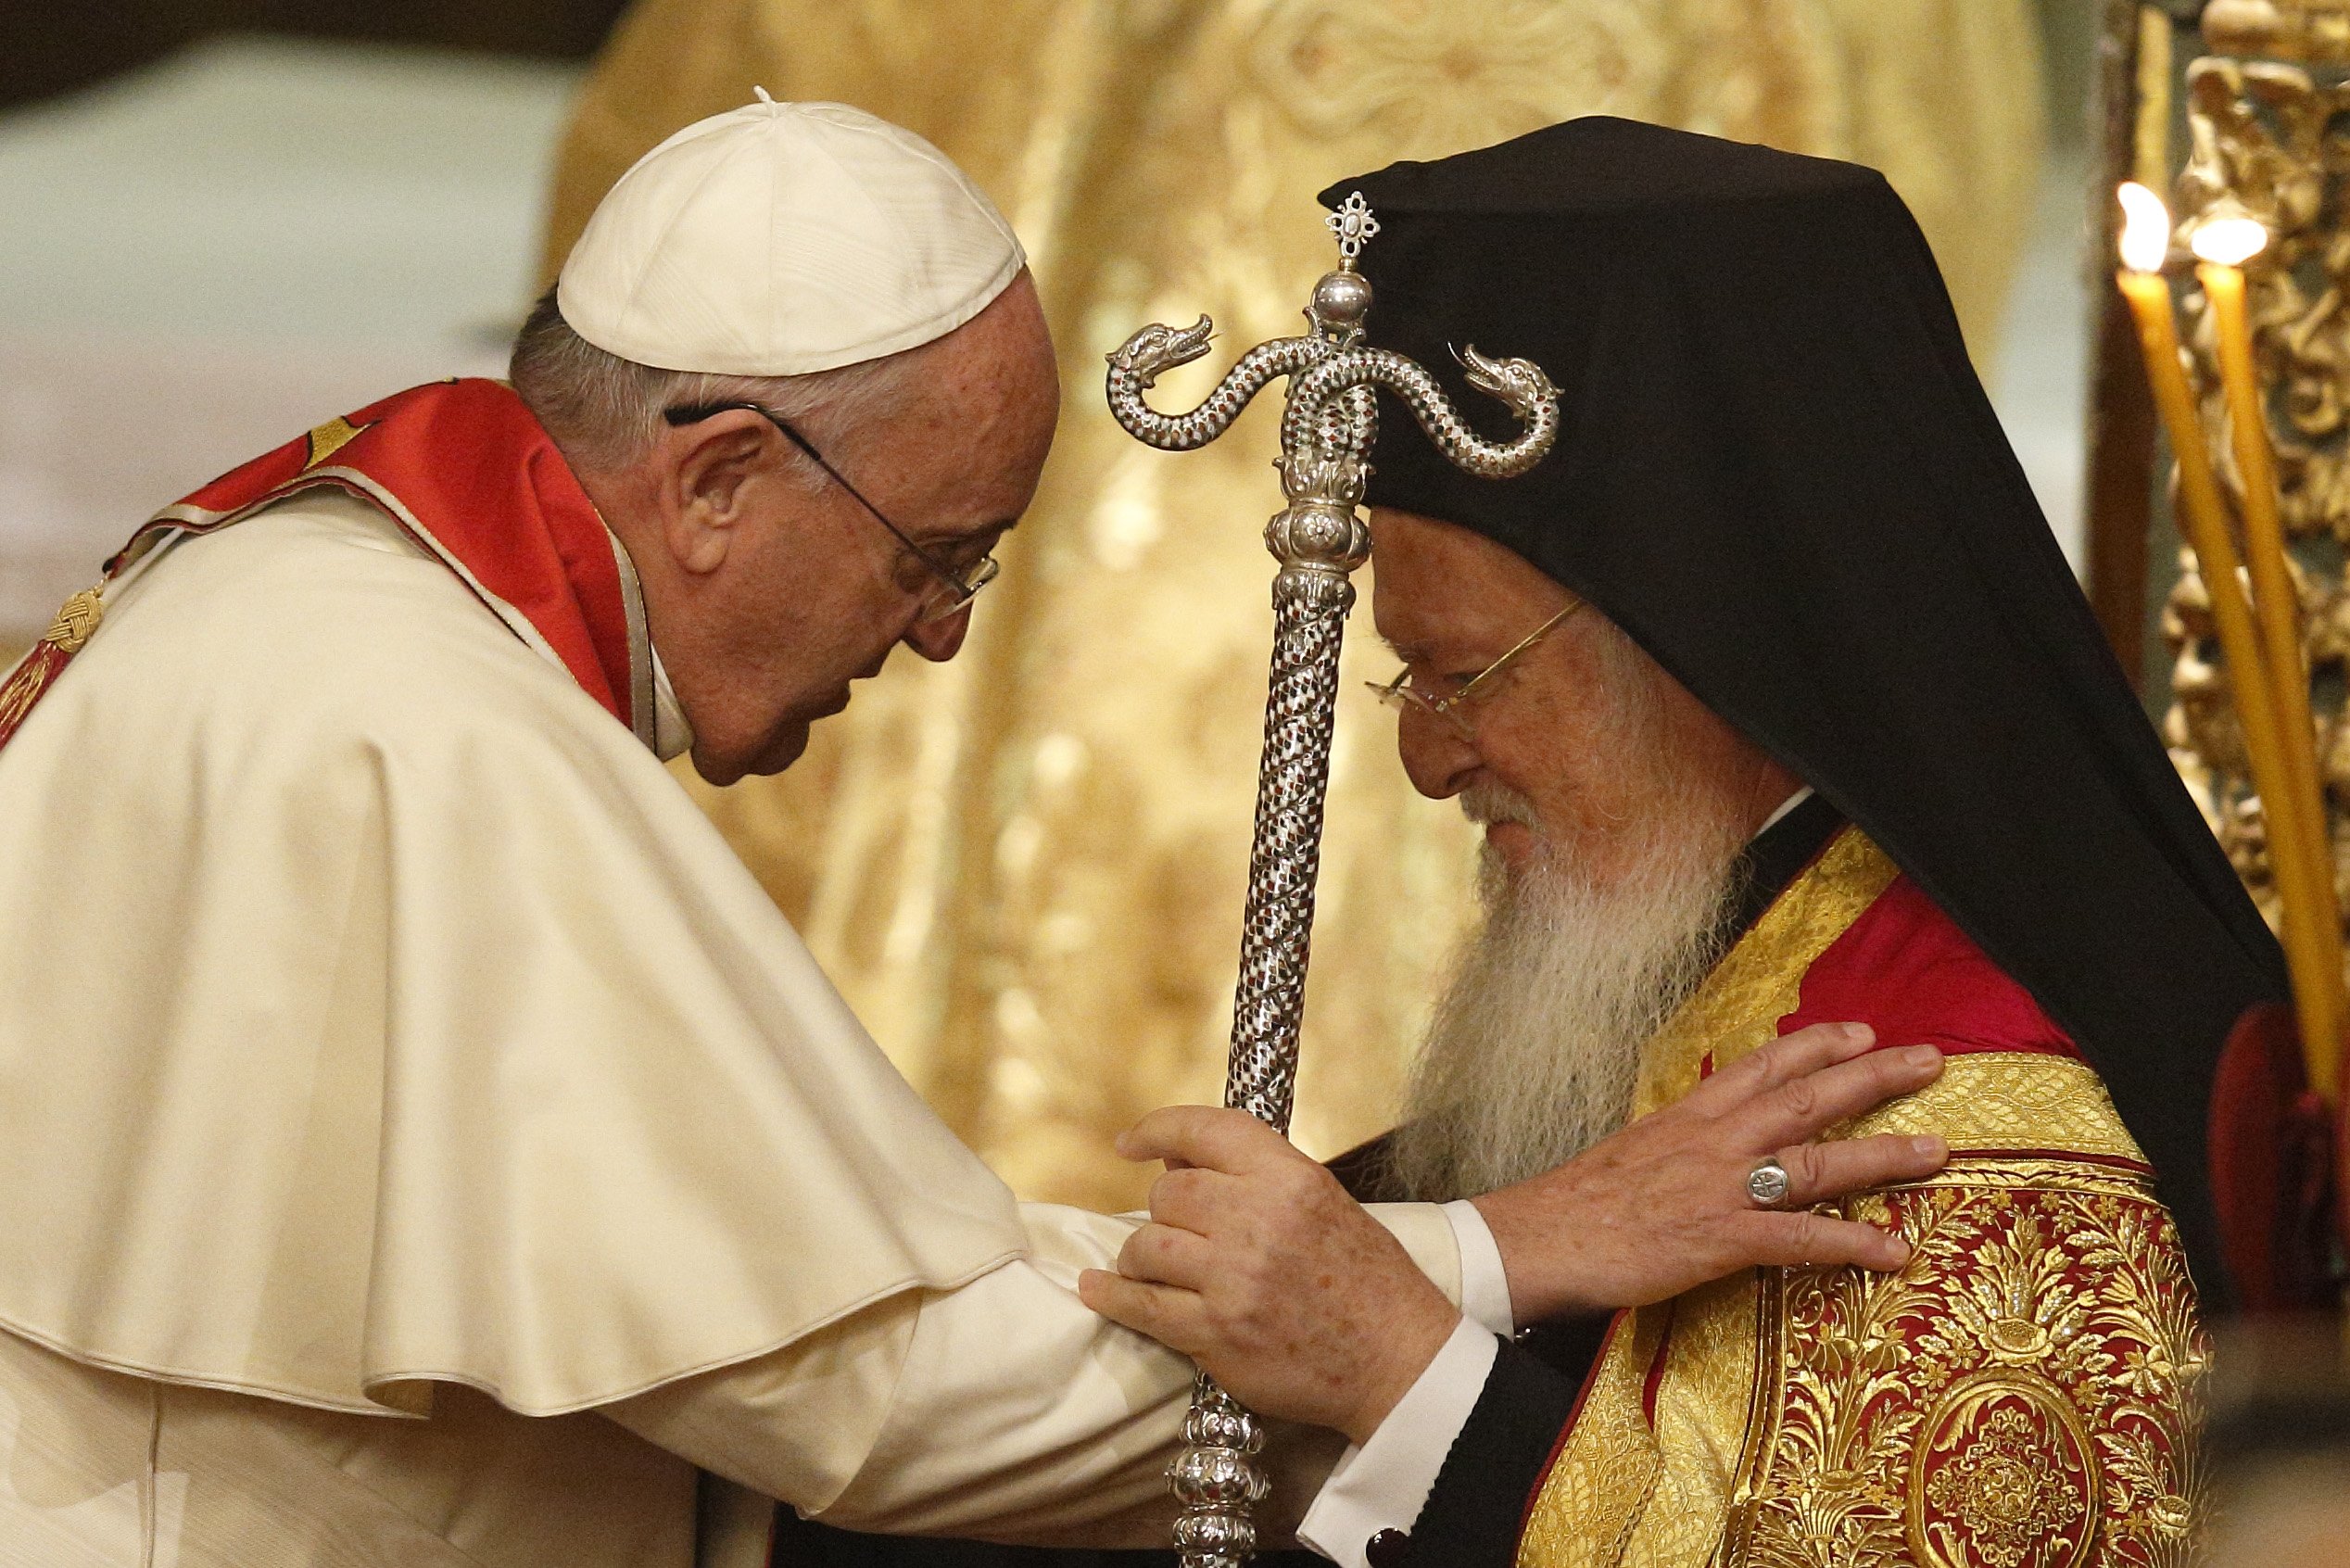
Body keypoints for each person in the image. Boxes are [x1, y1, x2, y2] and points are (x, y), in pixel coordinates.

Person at [0, 100, 1940, 1568]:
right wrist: (1496, 1256)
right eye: (933, 559)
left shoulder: (318, 603)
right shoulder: (429, 745)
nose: (933, 635)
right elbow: (884, 1398)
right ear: (723, 479)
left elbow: (806, 1276)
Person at [1089, 119, 2272, 1568]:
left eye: (1469, 673)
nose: (1425, 753)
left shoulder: (1954, 1123)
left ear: (1709, 643)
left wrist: (1401, 1372)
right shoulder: (1701, 966)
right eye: (1408, 677)